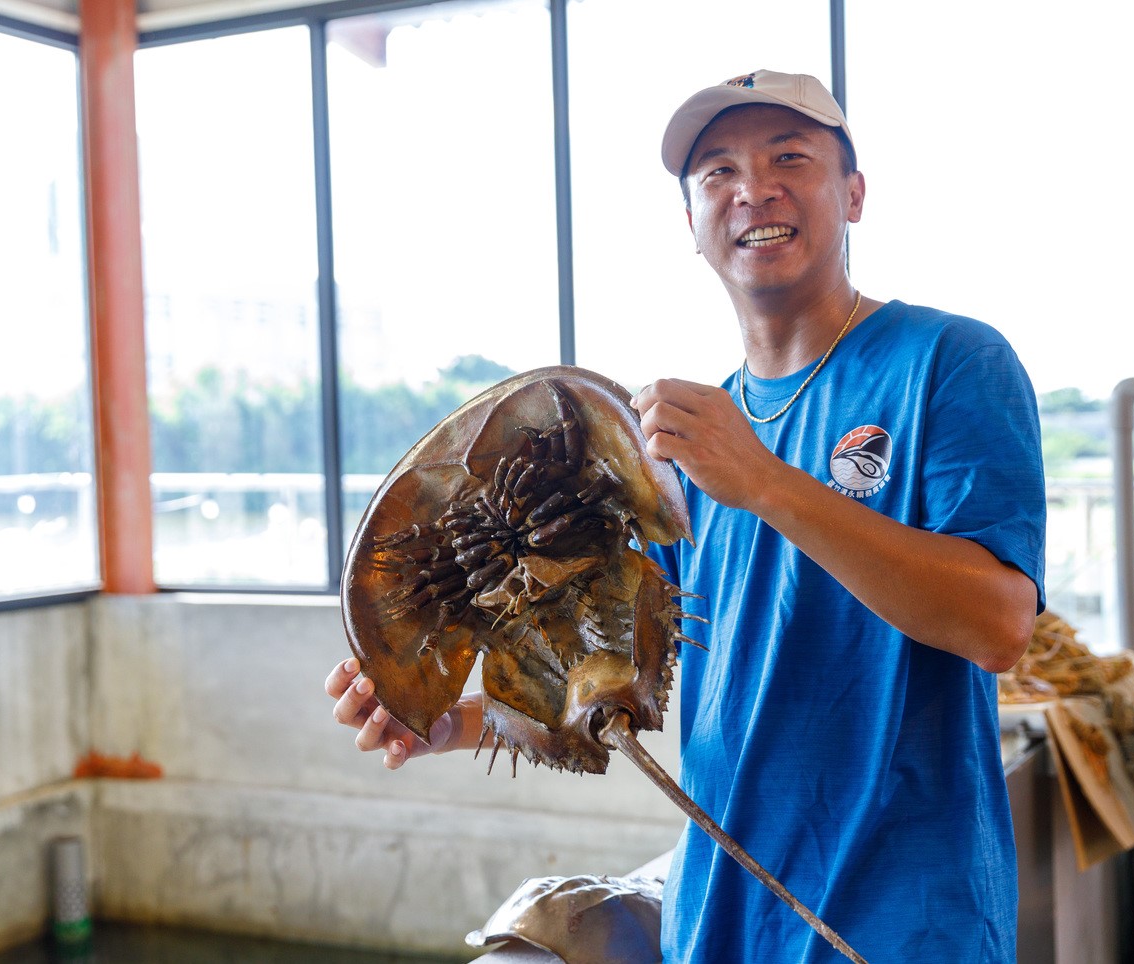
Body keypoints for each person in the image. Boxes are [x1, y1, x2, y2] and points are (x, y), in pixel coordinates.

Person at [327, 69, 1045, 963]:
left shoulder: (948, 360)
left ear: (852, 194)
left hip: (903, 917)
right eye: (717, 171)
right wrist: (449, 722)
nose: (753, 189)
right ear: (692, 224)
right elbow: (610, 681)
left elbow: (997, 623)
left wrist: (766, 481)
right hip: (720, 915)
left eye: (791, 157)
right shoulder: (678, 446)